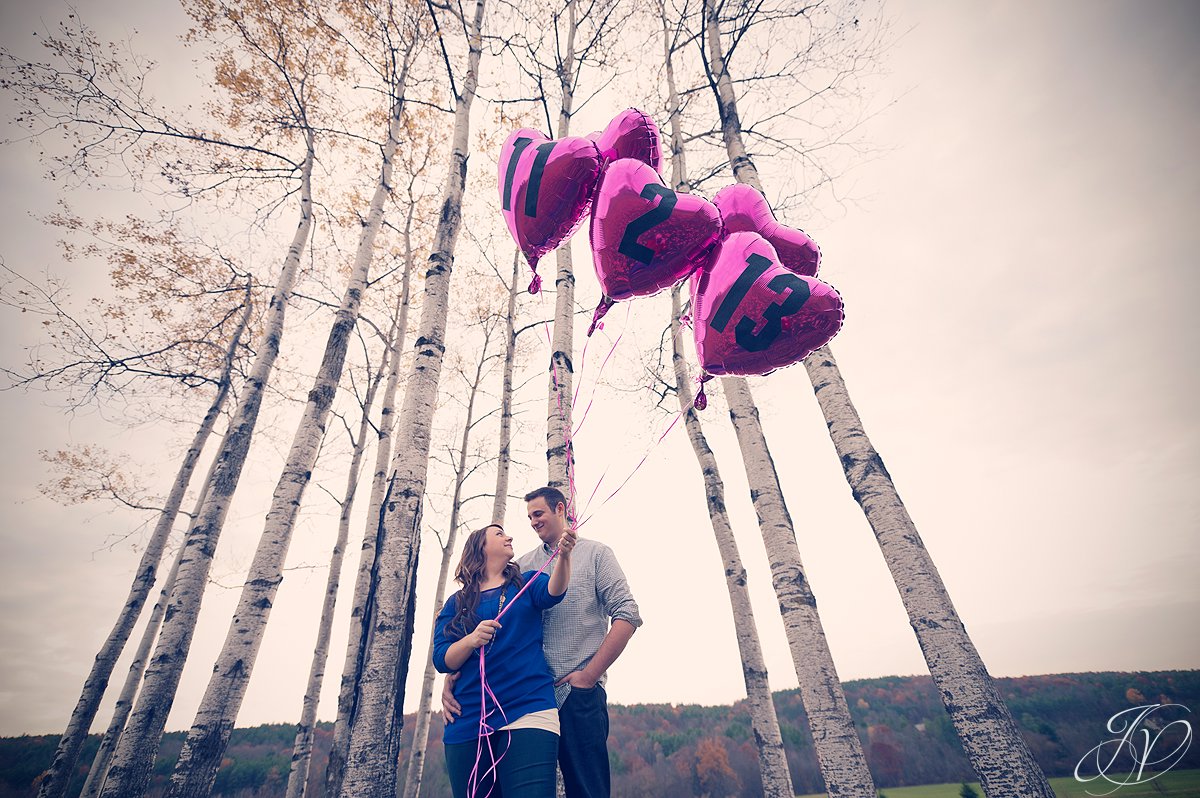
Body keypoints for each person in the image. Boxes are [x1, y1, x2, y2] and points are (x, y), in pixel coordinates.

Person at [443, 486, 643, 798]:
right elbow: (483, 627)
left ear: (560, 509)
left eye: (539, 514)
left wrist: (588, 677)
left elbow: (627, 614)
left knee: (587, 791)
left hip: (576, 695)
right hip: (520, 703)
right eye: (529, 517)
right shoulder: (519, 569)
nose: (533, 522)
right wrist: (453, 678)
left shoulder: (596, 554)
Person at [432, 522, 576, 798]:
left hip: (529, 709)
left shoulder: (527, 583)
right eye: (499, 534)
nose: (508, 536)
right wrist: (471, 640)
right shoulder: (456, 603)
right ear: (480, 548)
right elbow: (442, 659)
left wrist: (564, 556)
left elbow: (554, 592)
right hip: (468, 719)